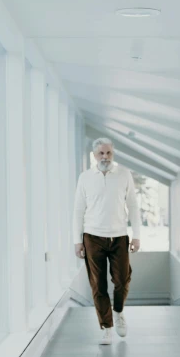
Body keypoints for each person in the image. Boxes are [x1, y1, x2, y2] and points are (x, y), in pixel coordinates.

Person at [74, 137, 141, 345]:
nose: (105, 157)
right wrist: (77, 240)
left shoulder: (124, 175)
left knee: (122, 279)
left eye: (108, 153)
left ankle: (118, 311)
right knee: (98, 284)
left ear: (113, 154)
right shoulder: (85, 178)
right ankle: (107, 327)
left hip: (119, 235)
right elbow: (78, 210)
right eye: (101, 153)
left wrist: (137, 235)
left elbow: (133, 205)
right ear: (95, 156)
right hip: (92, 237)